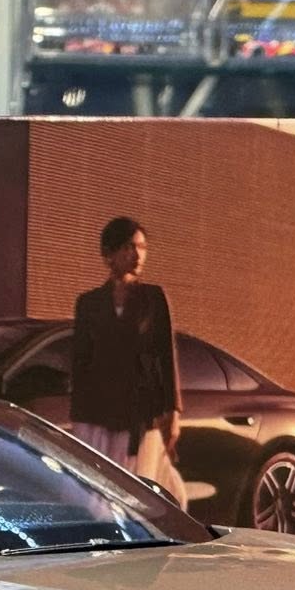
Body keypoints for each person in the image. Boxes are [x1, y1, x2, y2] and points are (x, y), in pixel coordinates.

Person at [68, 216, 186, 505]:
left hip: (138, 414)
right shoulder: (89, 303)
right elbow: (81, 362)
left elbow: (165, 355)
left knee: (135, 493)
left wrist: (173, 411)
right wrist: (78, 415)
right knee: (94, 494)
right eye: (129, 247)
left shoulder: (153, 298)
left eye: (142, 247)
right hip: (97, 414)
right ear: (109, 253)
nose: (137, 255)